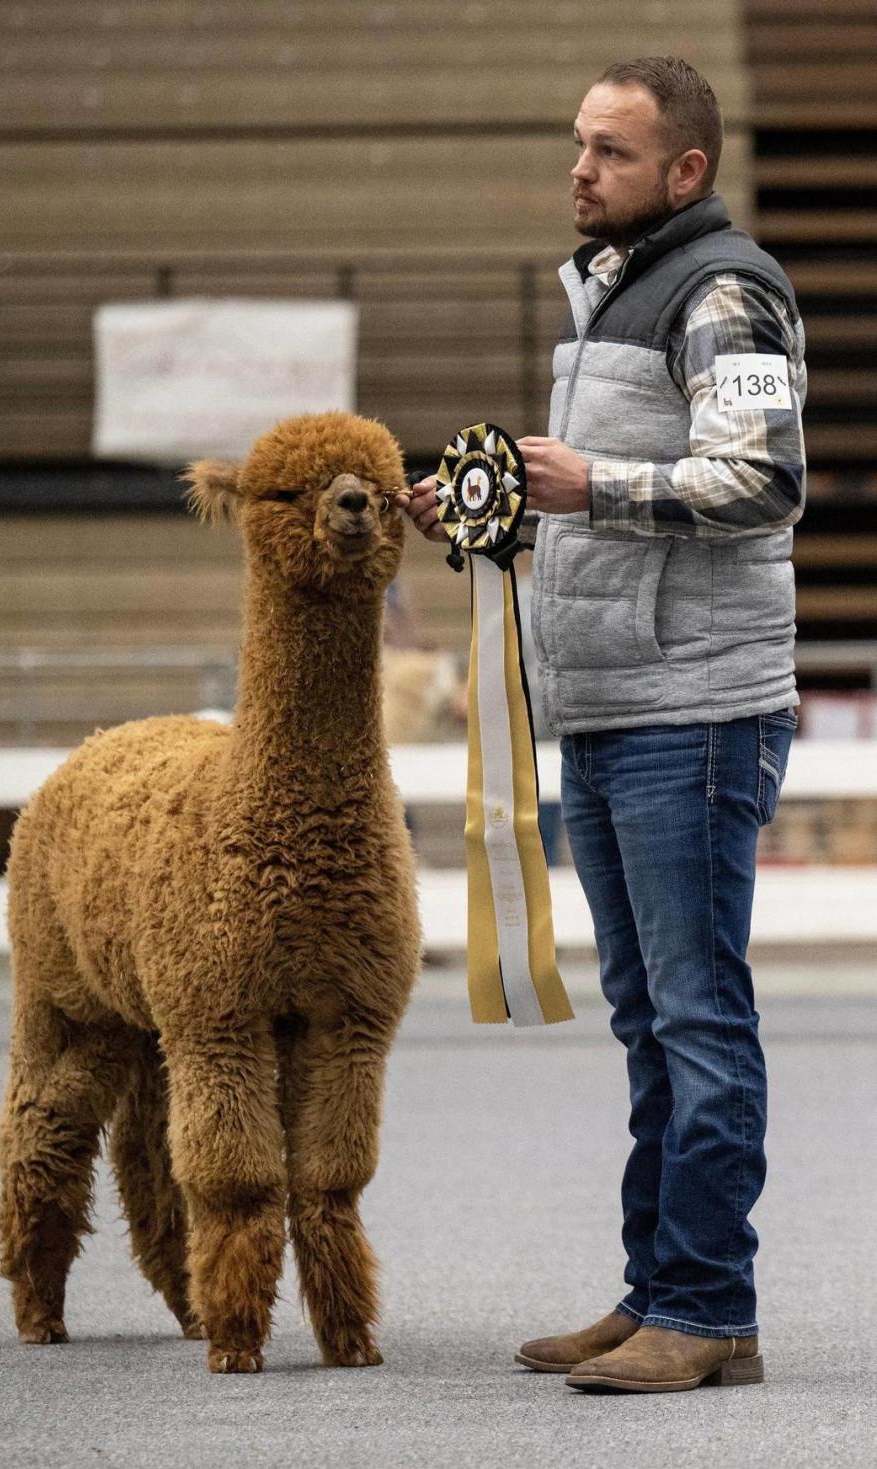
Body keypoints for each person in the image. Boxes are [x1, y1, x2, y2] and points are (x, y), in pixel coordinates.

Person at [398, 55, 806, 1394]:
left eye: (611, 152)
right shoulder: (610, 293)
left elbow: (762, 481)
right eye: (578, 144)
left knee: (696, 1017)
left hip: (694, 709)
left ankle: (707, 1305)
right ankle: (661, 1293)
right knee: (649, 1019)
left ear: (684, 171)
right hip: (614, 700)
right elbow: (603, 499)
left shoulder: (727, 290)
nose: (579, 169)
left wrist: (592, 483)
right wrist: (494, 502)